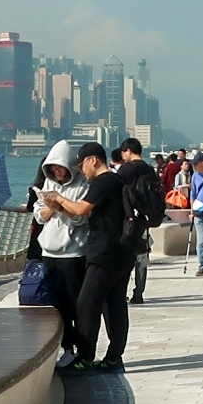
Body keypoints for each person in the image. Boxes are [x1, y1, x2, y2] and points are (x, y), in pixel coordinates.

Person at [44, 143, 138, 372]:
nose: (81, 170)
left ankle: (85, 357)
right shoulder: (116, 180)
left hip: (104, 254)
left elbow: (80, 210)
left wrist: (58, 198)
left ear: (93, 160)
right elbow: (79, 212)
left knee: (87, 303)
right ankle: (114, 358)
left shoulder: (103, 182)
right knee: (114, 304)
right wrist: (59, 207)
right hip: (122, 252)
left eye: (82, 164)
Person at [32, 141, 90, 366]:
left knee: (75, 303)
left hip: (74, 253)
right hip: (49, 252)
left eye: (60, 167)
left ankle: (82, 348)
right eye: (53, 167)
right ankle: (66, 346)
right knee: (54, 305)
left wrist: (60, 203)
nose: (57, 171)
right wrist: (53, 206)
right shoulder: (48, 183)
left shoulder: (82, 185)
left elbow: (80, 217)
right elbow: (40, 215)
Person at [117, 139, 158, 304]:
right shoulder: (149, 169)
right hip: (145, 218)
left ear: (129, 150)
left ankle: (121, 292)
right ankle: (139, 293)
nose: (122, 155)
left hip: (128, 218)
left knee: (125, 257)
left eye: (123, 152)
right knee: (142, 257)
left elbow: (118, 192)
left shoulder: (126, 169)